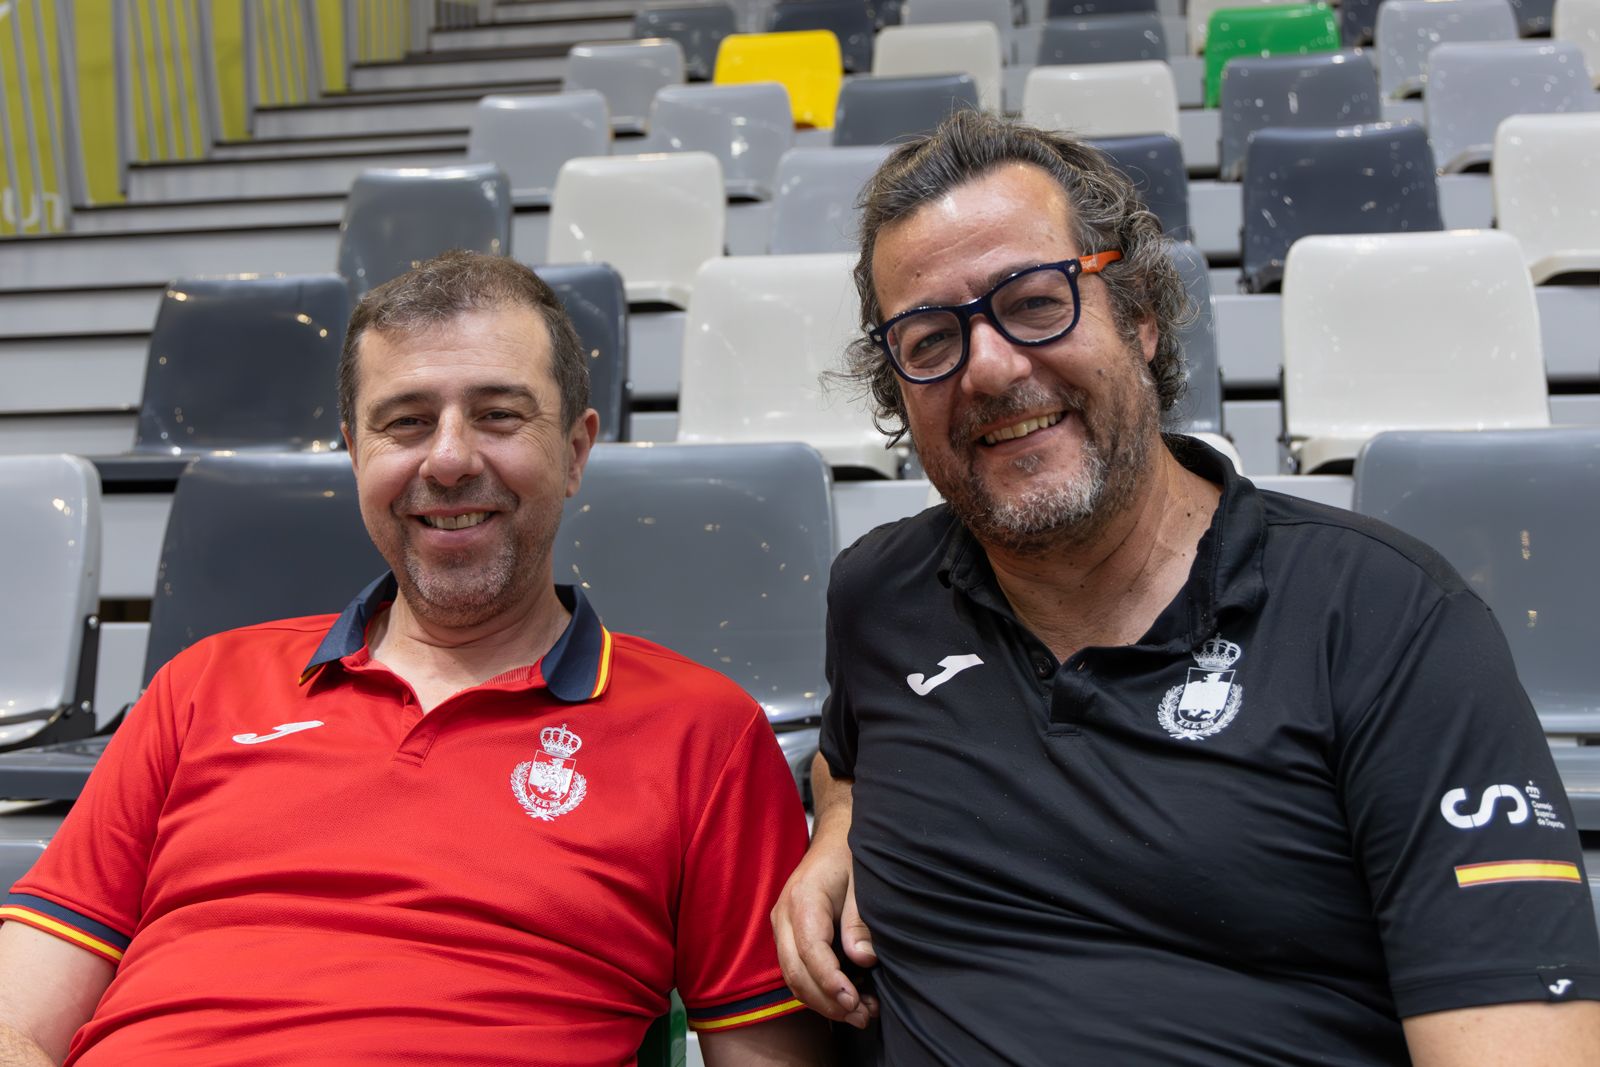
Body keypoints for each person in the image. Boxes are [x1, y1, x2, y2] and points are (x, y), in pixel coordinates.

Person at [771, 110, 1600, 1065]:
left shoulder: (1389, 619)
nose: (991, 366)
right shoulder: (878, 593)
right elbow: (849, 749)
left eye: (1037, 302)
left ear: (1140, 315)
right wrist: (838, 824)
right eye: (928, 339)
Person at [0, 251, 827, 1067]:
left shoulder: (704, 735)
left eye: (499, 414)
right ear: (356, 451)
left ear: (576, 451)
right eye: (405, 422)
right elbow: (18, 1022)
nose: (449, 458)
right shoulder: (200, 685)